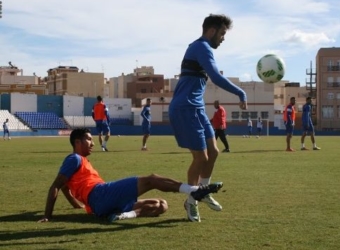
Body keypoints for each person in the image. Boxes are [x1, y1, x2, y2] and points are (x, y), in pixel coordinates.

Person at [37, 128, 223, 223]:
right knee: (152, 179)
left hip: (101, 206)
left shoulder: (80, 163)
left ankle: (123, 216)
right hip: (101, 194)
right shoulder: (74, 158)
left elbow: (64, 187)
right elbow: (56, 185)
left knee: (161, 205)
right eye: (88, 139)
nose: (92, 143)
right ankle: (197, 191)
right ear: (77, 142)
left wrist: (77, 206)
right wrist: (48, 216)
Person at [169, 14, 247, 222]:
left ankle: (203, 191)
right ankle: (191, 201)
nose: (223, 38)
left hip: (197, 108)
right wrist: (241, 92)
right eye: (222, 33)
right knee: (200, 157)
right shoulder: (201, 47)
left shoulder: (202, 49)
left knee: (213, 151)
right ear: (211, 31)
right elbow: (215, 76)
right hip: (185, 108)